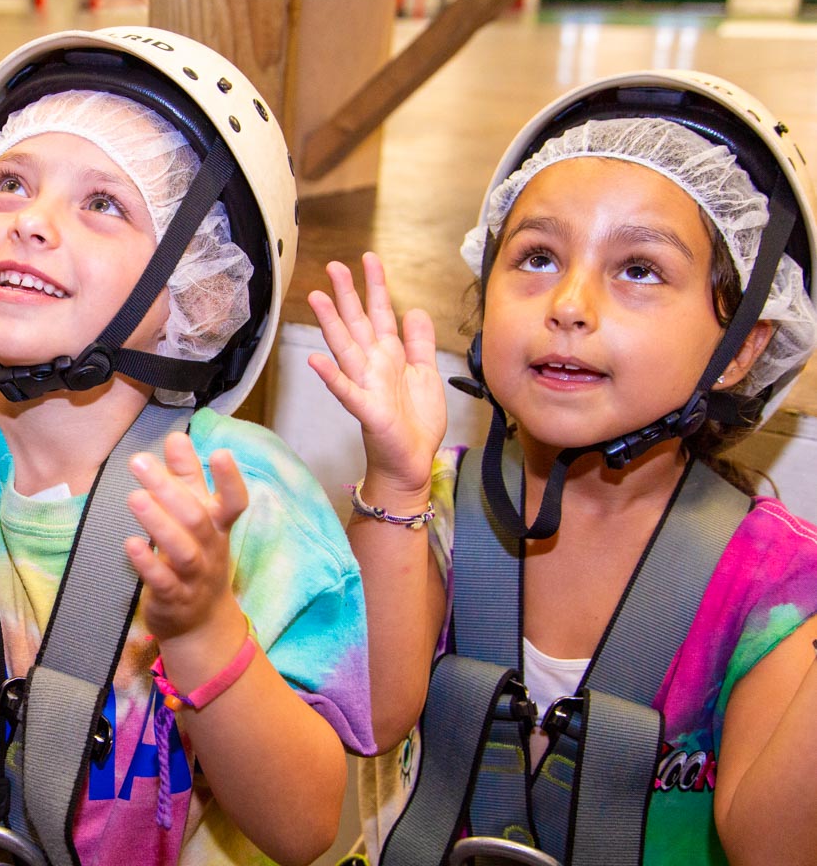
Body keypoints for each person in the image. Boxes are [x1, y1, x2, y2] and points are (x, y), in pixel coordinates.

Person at [0, 26, 374, 866]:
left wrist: (202, 626)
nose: (32, 223)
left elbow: (304, 826)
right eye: (10, 184)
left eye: (103, 204)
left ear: (198, 291)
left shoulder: (249, 499)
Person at [310, 71, 817, 865]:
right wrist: (397, 481)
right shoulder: (430, 505)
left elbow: (773, 844)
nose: (571, 303)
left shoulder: (777, 587)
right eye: (538, 257)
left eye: (639, 269)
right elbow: (369, 719)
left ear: (743, 347)